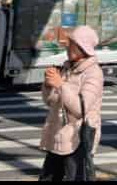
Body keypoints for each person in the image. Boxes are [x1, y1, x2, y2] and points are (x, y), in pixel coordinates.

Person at [38, 25, 104, 181]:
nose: (68, 46)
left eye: (73, 43)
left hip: (77, 139)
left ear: (83, 48)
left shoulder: (93, 73)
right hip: (58, 136)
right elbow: (50, 101)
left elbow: (80, 109)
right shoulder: (67, 68)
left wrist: (60, 84)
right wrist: (48, 85)